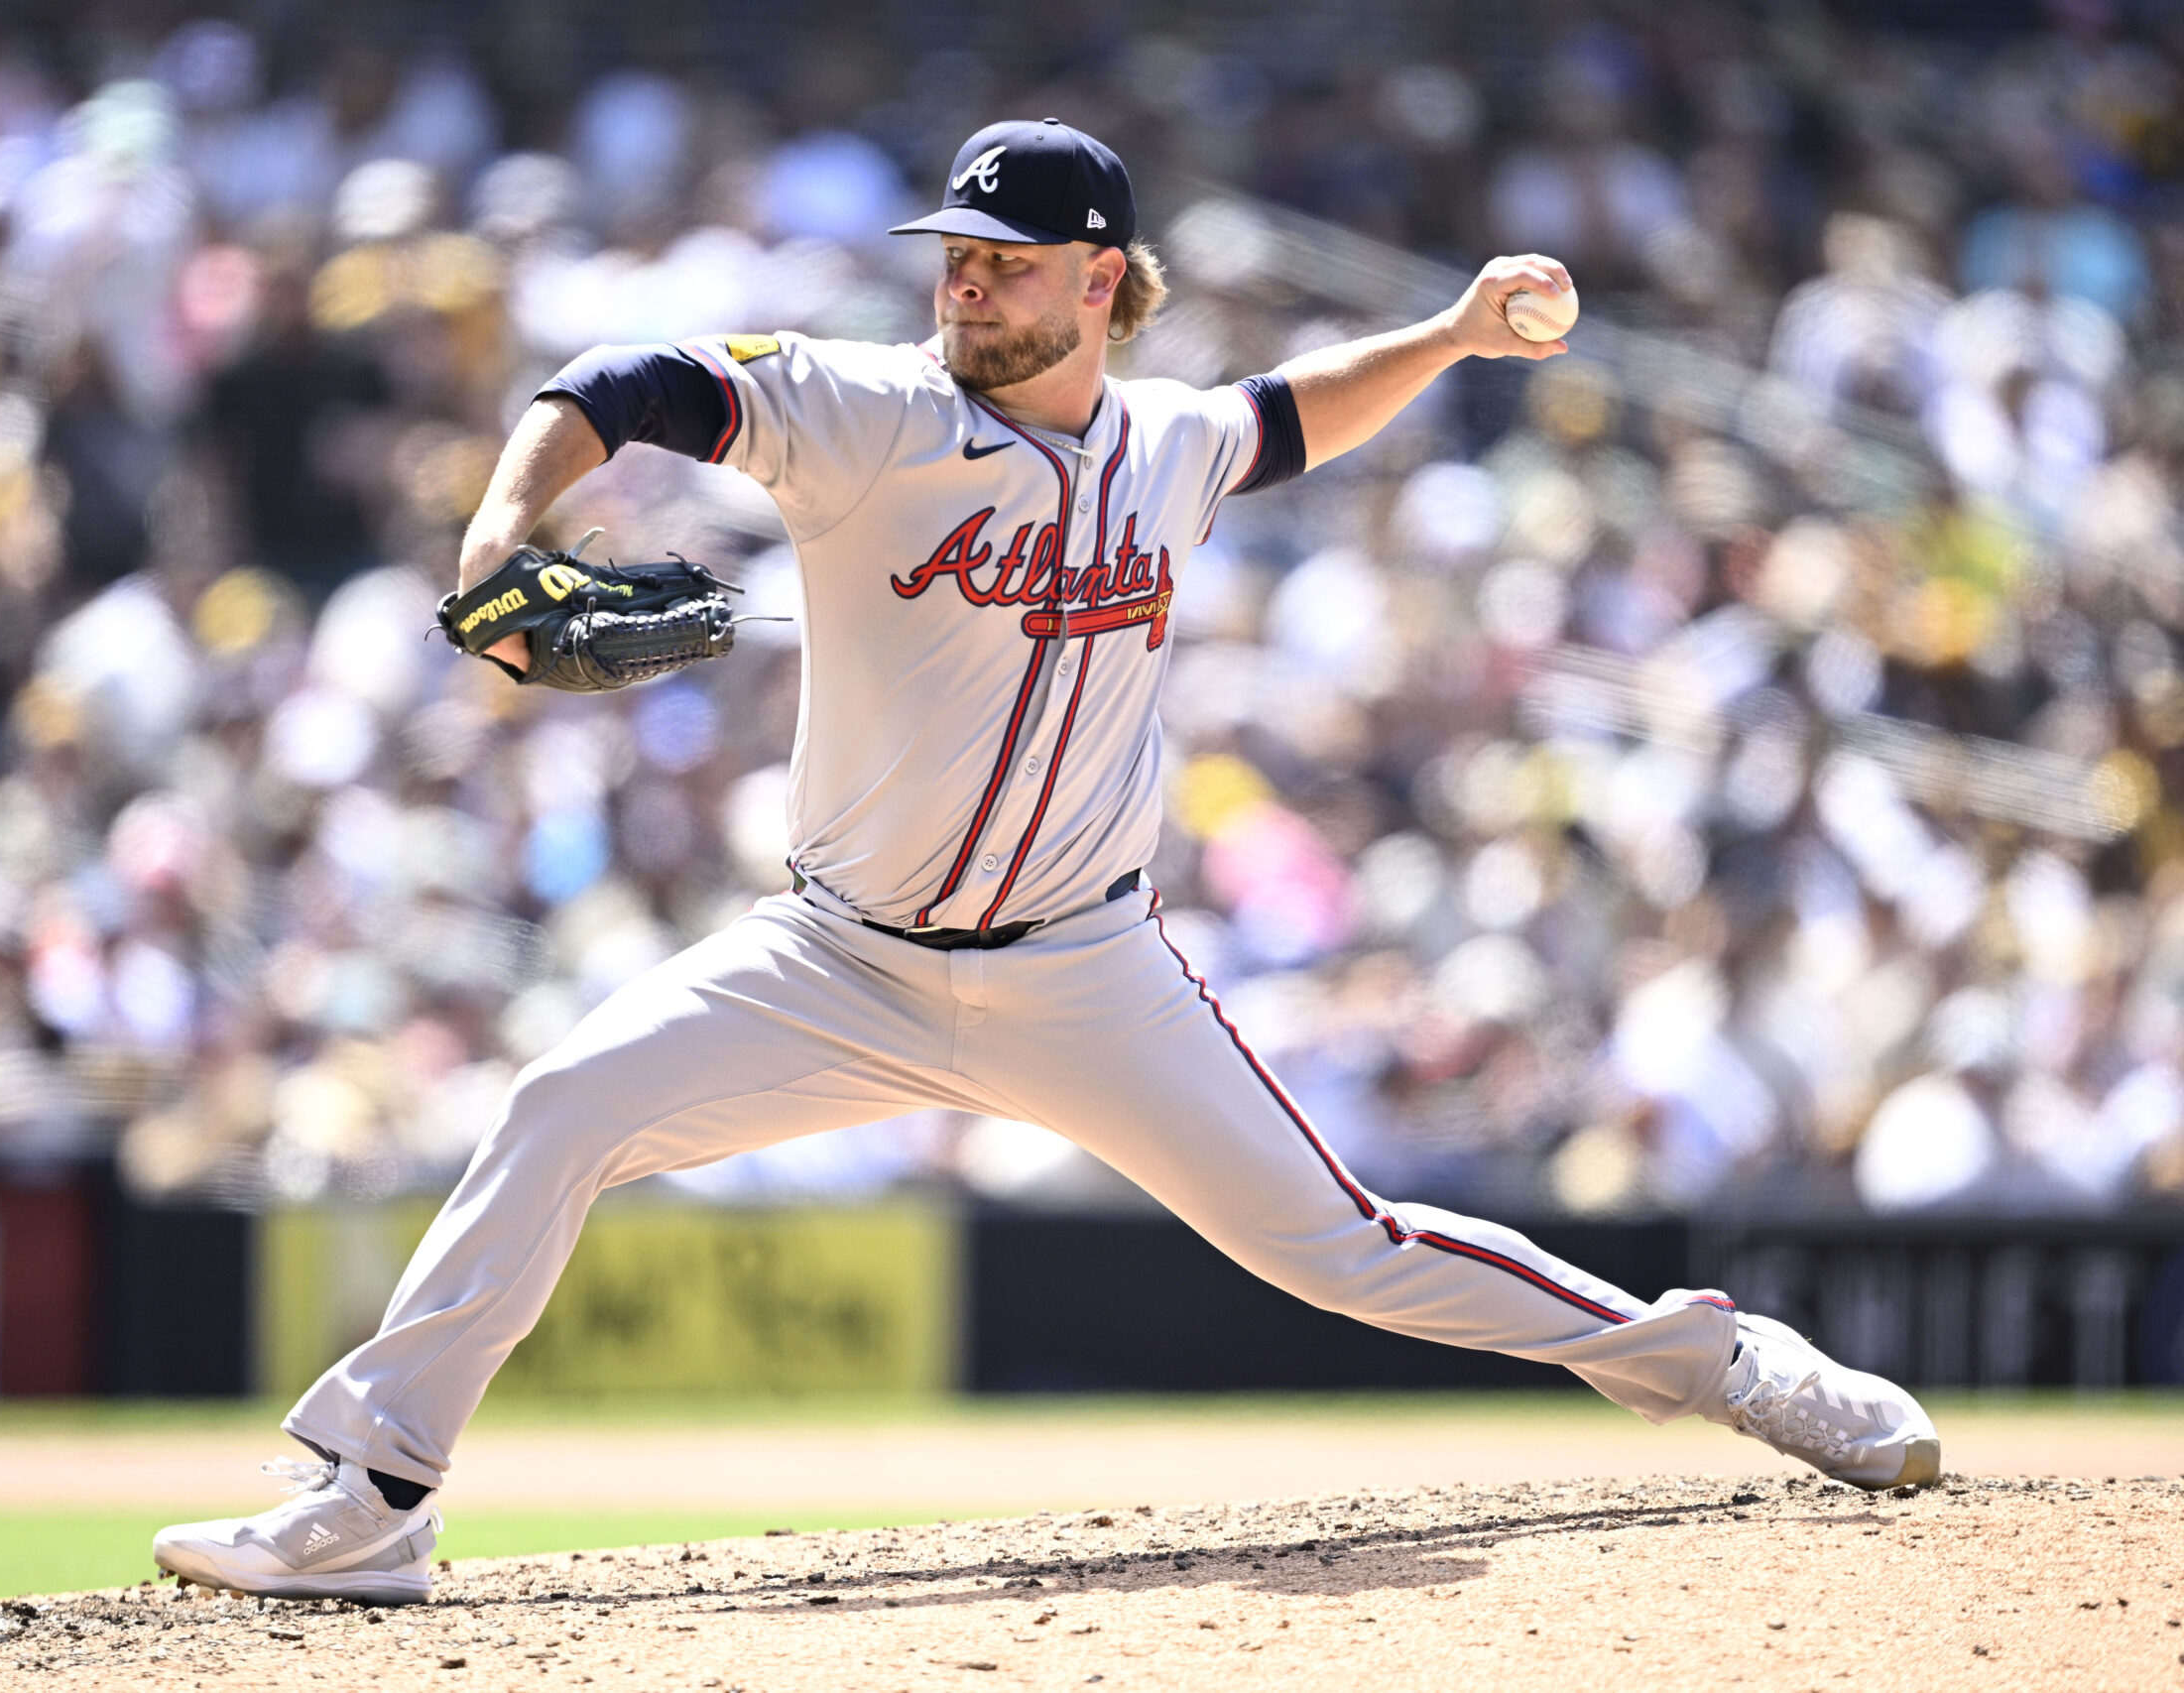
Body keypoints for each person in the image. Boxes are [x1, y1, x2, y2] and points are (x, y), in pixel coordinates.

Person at [154, 119, 1939, 1604]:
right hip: (837, 960)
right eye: (955, 254)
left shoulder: (1167, 443)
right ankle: (373, 1496)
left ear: (1101, 279)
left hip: (1089, 972)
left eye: (1005, 261)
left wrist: (1455, 334)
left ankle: (1725, 1362)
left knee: (1352, 1249)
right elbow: (628, 384)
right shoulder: (863, 411)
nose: (965, 282)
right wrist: (499, 524)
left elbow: (1289, 413)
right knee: (563, 1105)